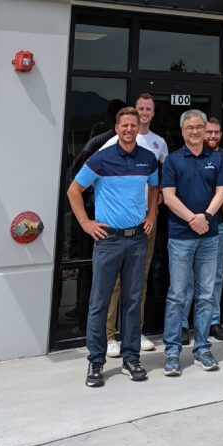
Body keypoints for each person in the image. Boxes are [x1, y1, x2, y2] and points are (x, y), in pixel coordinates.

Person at [67, 107, 158, 387]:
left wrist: (152, 215)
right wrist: (85, 223)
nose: (130, 129)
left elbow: (154, 188)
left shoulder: (148, 158)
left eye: (133, 124)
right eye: (125, 125)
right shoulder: (101, 158)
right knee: (100, 301)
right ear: (117, 128)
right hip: (108, 239)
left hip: (137, 238)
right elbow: (74, 191)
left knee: (132, 301)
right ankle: (96, 361)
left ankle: (131, 358)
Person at [89, 93, 168, 355]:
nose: (143, 113)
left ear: (153, 113)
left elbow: (159, 184)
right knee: (113, 283)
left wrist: (152, 215)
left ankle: (135, 333)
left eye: (148, 109)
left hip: (144, 222)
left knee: (138, 281)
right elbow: (89, 181)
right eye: (140, 109)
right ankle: (110, 335)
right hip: (113, 225)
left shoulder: (158, 144)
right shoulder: (112, 143)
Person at [161, 110, 223, 376]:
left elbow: (221, 191)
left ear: (205, 128)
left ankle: (202, 348)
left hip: (210, 237)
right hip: (181, 238)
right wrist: (193, 219)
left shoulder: (217, 159)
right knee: (177, 295)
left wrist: (207, 217)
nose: (195, 131)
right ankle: (171, 352)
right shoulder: (173, 160)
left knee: (205, 295)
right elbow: (168, 196)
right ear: (182, 131)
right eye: (190, 128)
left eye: (199, 127)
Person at [181, 117, 223, 343]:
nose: (212, 136)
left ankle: (213, 321)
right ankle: (183, 324)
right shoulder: (186, 157)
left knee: (216, 276)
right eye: (209, 132)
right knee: (187, 278)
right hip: (189, 226)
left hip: (219, 227)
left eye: (216, 132)